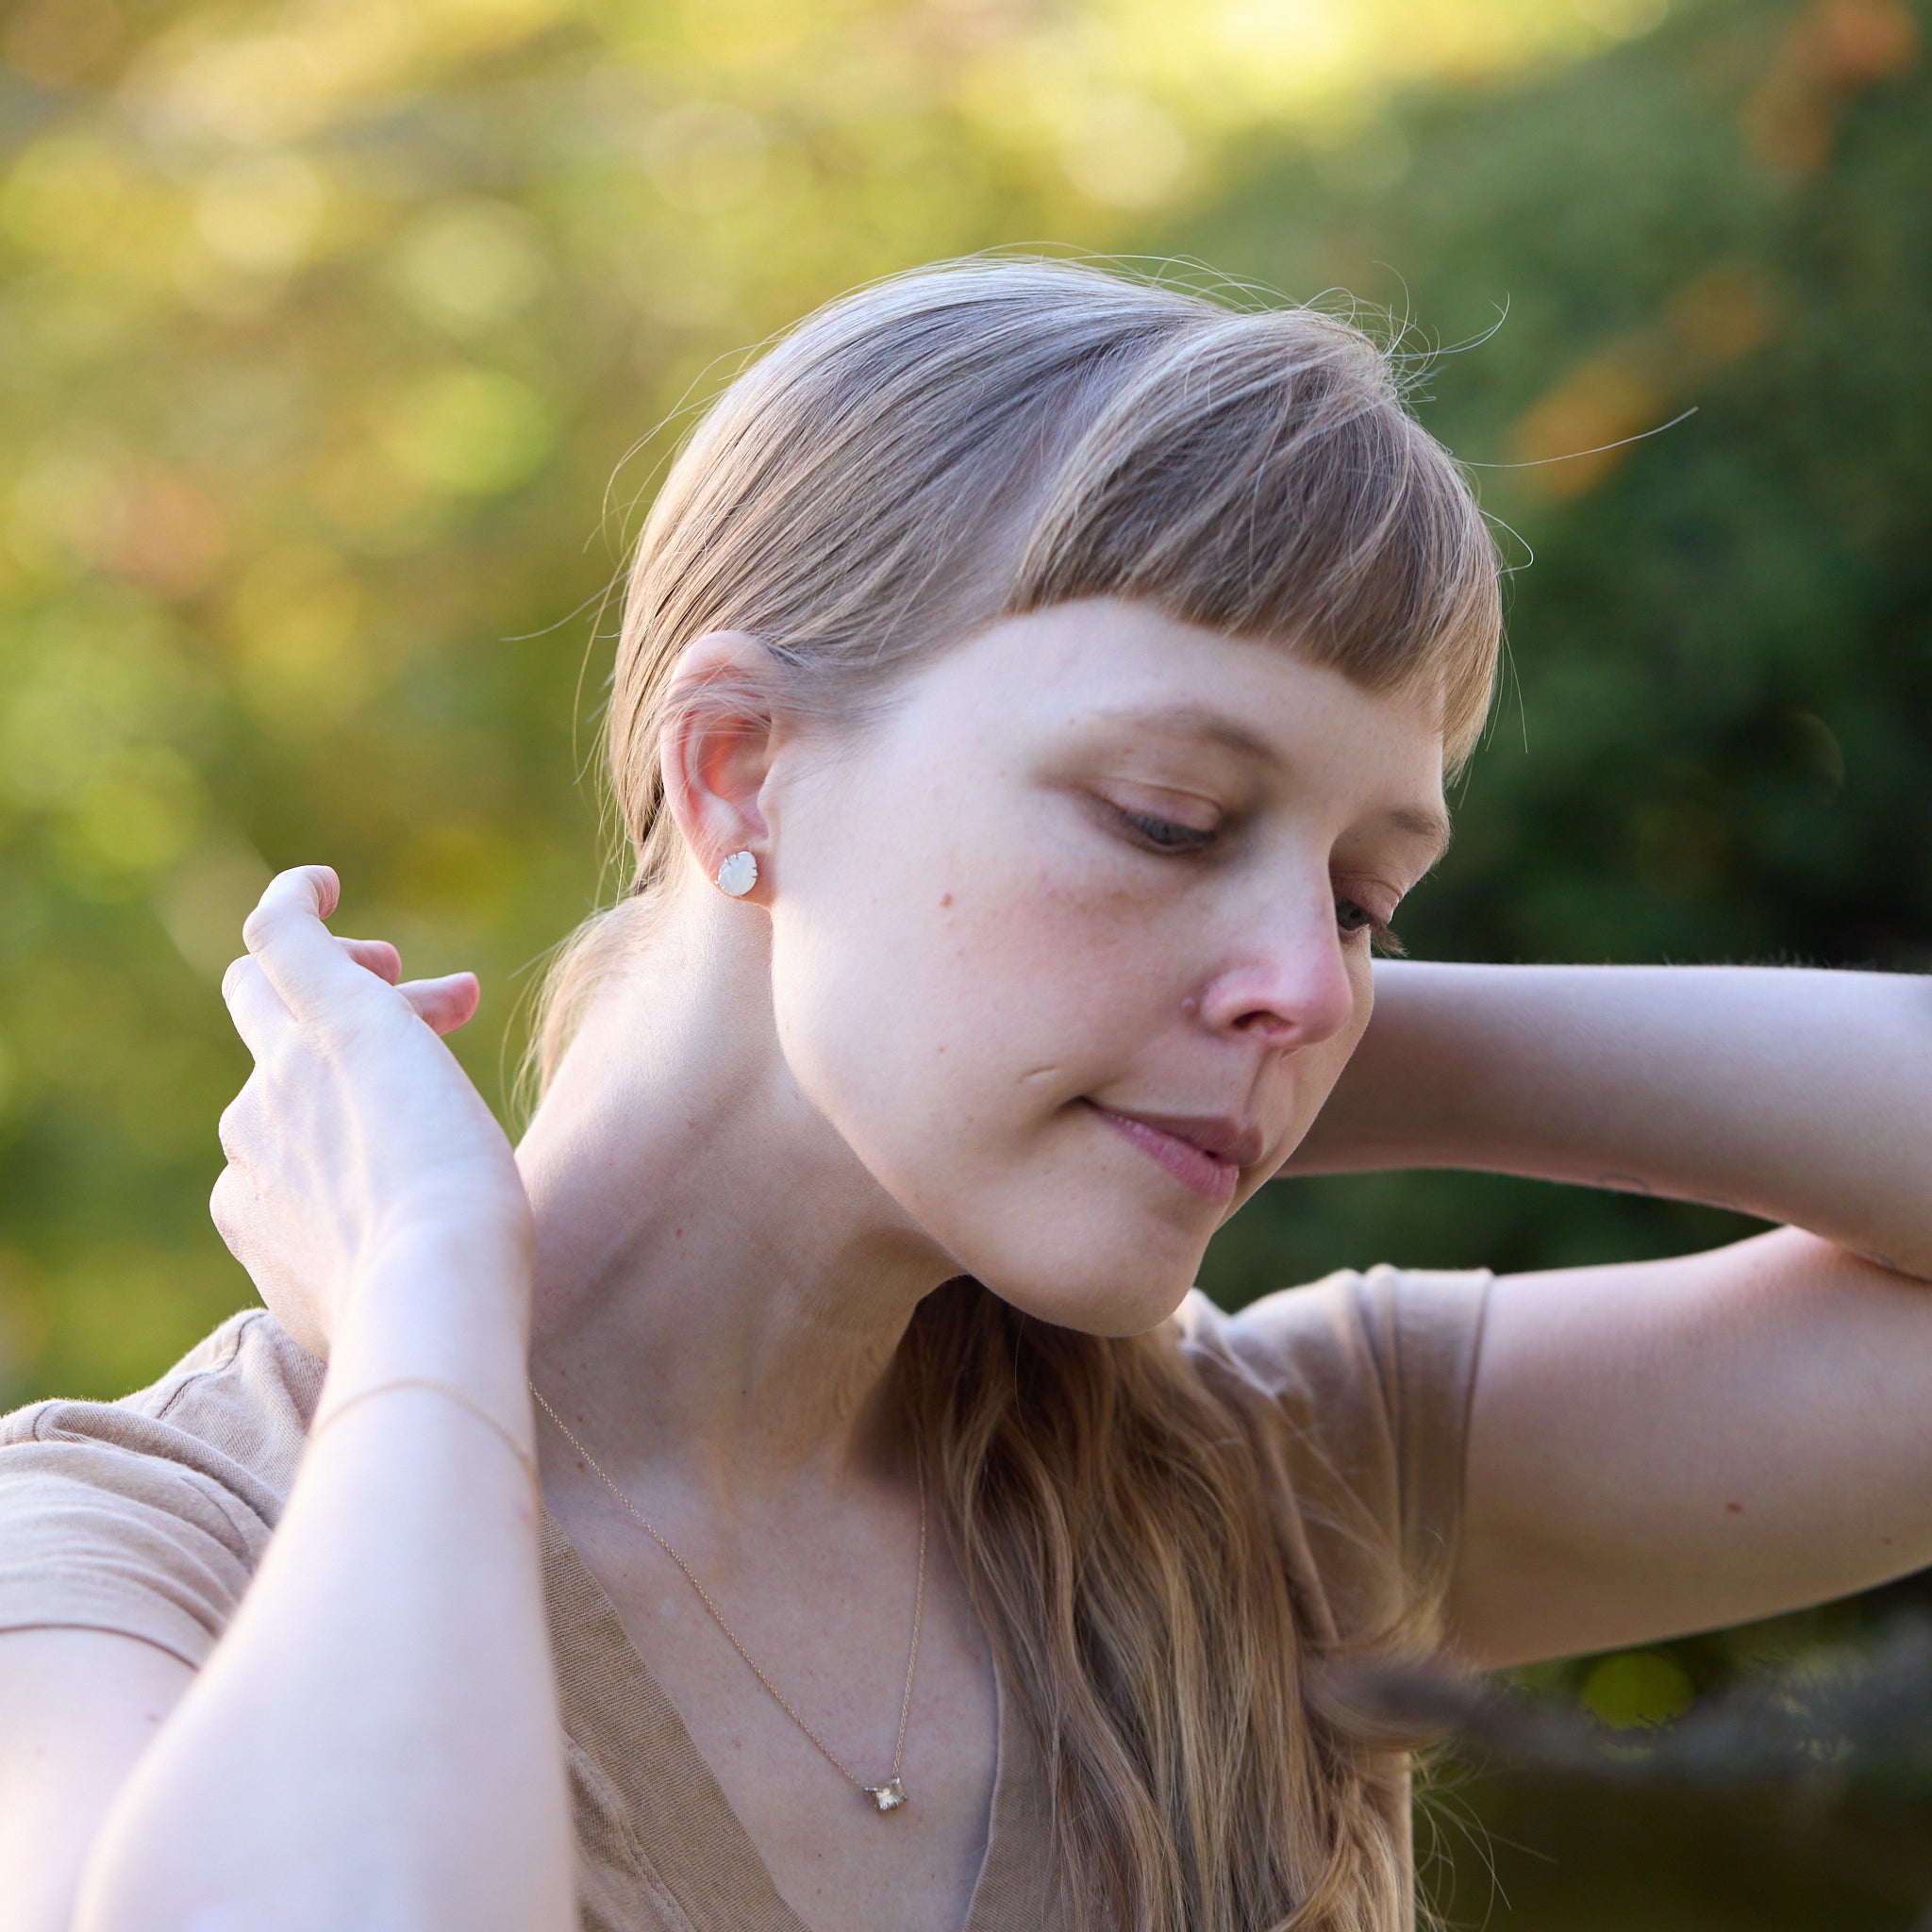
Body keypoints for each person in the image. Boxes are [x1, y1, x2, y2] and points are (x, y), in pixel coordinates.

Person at [2, 258, 1928, 1932]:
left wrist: (1256, 1035)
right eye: (1169, 816)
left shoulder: (1254, 1488)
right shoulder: (131, 1550)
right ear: (738, 770)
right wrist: (430, 1283)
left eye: (1366, 897)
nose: (1307, 973)